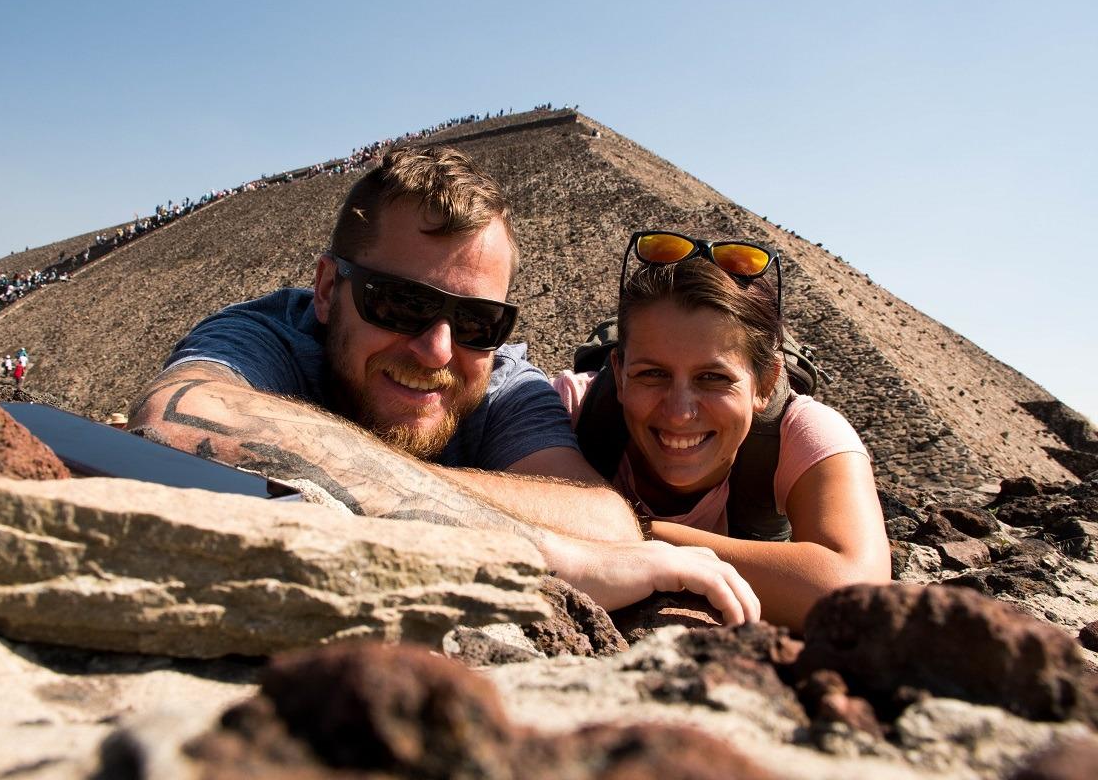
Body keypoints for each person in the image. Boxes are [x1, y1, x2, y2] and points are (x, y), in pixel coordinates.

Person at [129, 146, 758, 623]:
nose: (437, 350)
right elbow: (177, 421)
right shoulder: (271, 335)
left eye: (478, 322)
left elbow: (602, 523)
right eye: (399, 304)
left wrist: (346, 476)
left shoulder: (500, 381)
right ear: (326, 291)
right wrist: (542, 549)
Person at [553, 232, 890, 631]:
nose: (679, 413)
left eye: (713, 378)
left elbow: (854, 593)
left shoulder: (802, 432)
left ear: (765, 385)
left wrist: (640, 533)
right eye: (652, 374)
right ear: (620, 376)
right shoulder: (569, 410)